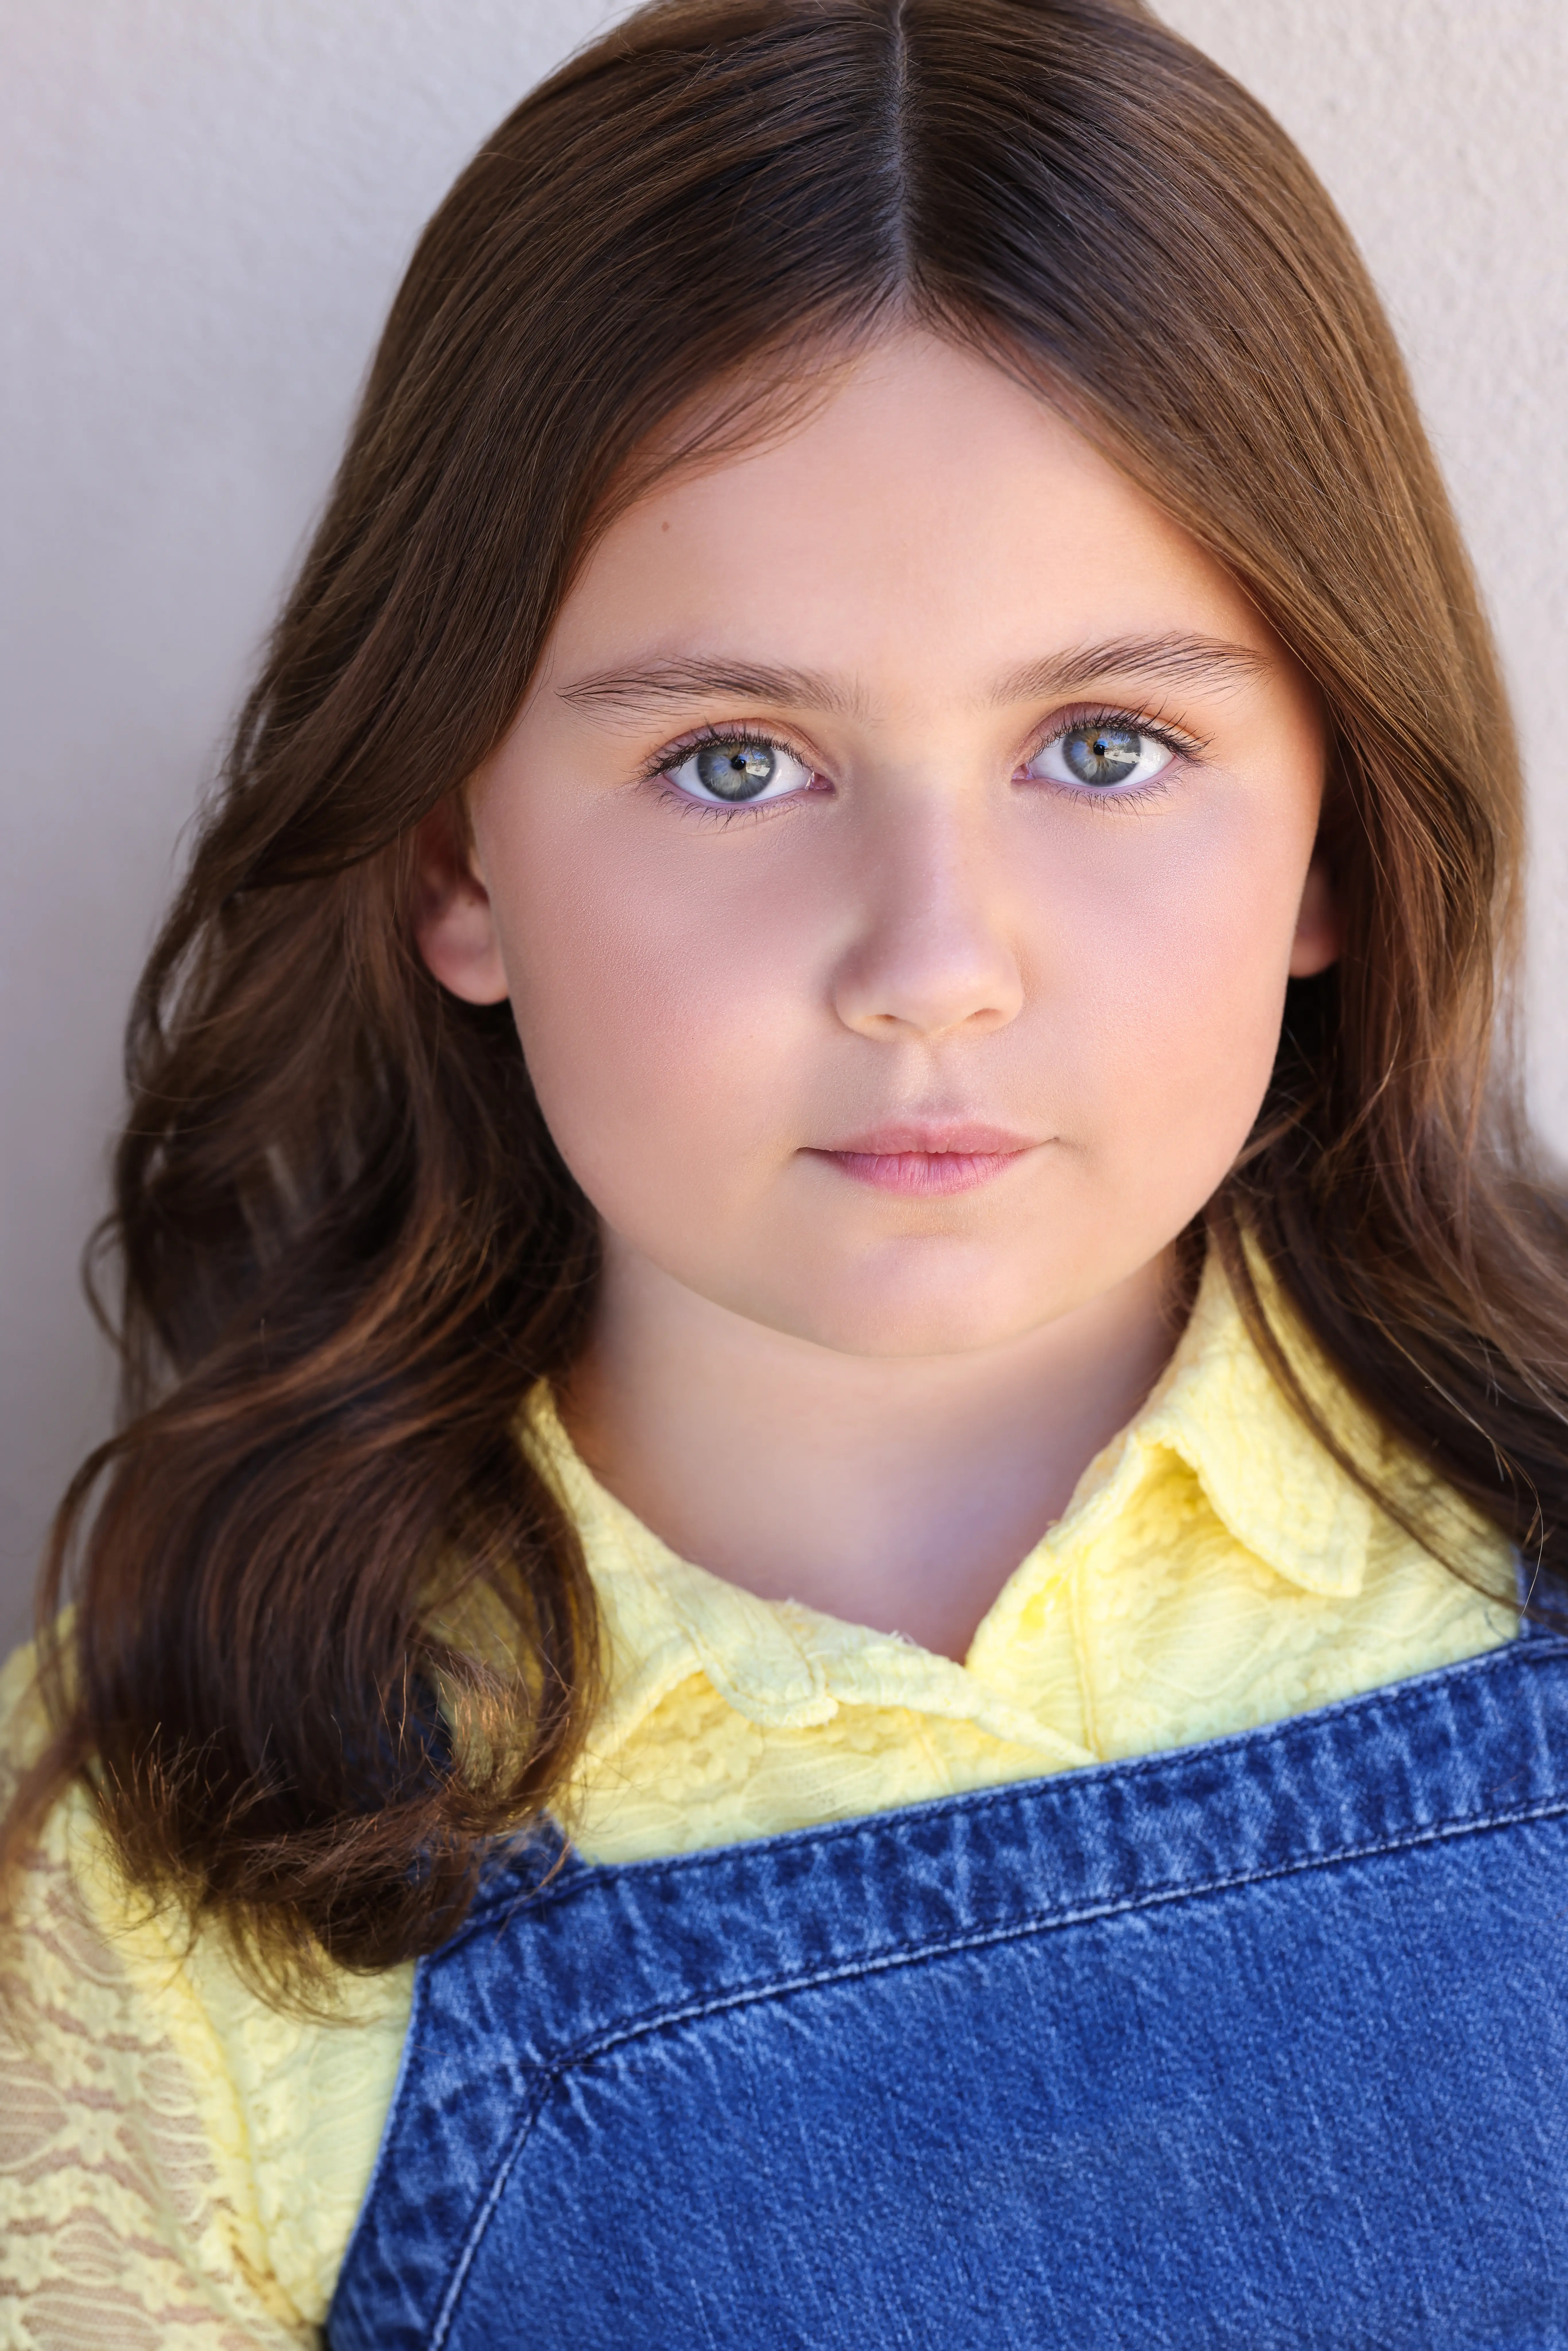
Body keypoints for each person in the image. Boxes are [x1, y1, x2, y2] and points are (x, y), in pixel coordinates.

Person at [4, 0, 1566, 2341]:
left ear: (1332, 833)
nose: (928, 964)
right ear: (454, 852)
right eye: (733, 764)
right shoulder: (160, 1861)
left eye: (1106, 744)